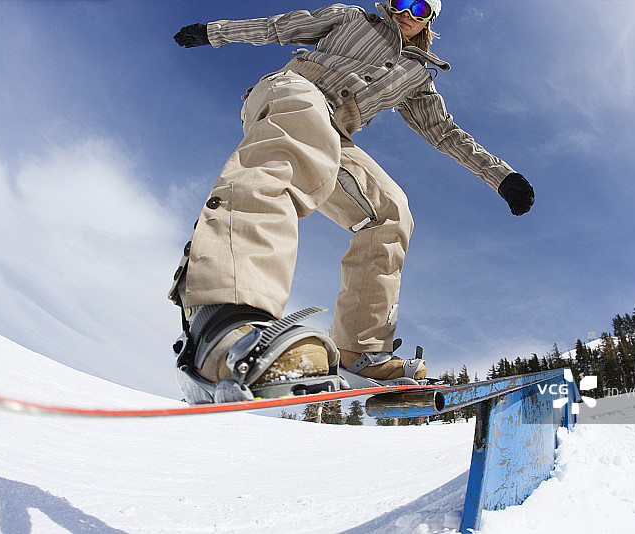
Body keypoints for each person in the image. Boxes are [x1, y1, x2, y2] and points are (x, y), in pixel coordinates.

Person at [169, 0, 534, 403]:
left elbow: (445, 133)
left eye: (419, 7)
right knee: (296, 132)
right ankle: (224, 313)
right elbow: (278, 27)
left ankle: (359, 351)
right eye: (399, 1)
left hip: (336, 132)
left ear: (430, 18)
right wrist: (213, 32)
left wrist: (503, 177)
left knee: (391, 211)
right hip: (292, 90)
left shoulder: (417, 76)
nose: (406, 13)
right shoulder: (352, 18)